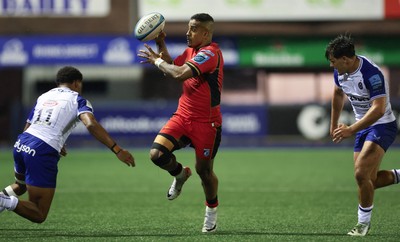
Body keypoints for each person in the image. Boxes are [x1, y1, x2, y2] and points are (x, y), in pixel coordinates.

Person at [0, 66, 135, 223]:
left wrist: (56, 142)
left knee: (20, 186)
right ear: (77, 83)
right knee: (38, 213)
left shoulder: (44, 96)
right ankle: (3, 201)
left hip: (22, 143)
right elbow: (91, 124)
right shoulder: (78, 99)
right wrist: (117, 150)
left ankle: (2, 197)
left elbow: (30, 125)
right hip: (41, 149)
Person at [138, 13, 223, 233]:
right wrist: (160, 40)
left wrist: (156, 61)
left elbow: (179, 74)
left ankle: (211, 212)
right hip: (183, 117)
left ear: (206, 33)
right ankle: (179, 174)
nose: (188, 32)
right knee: (157, 154)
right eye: (188, 28)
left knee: (204, 172)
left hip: (207, 124)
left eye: (193, 28)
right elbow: (171, 66)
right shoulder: (190, 51)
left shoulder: (210, 53)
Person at [325, 34, 398, 236]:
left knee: (360, 174)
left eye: (333, 61)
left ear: (346, 59)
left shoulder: (371, 73)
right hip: (362, 127)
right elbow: (338, 93)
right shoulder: (341, 72)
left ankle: (362, 225)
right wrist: (333, 124)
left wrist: (351, 129)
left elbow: (378, 109)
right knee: (368, 182)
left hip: (382, 125)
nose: (332, 66)